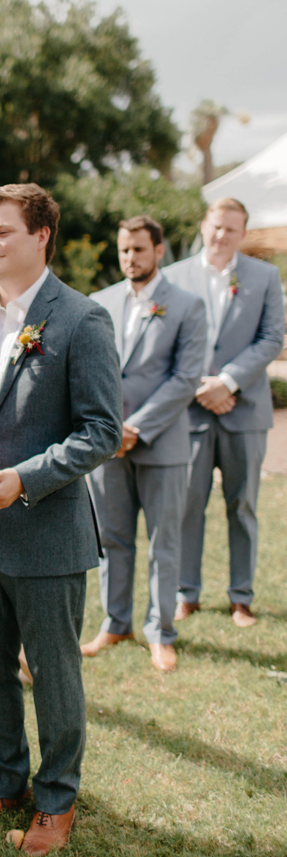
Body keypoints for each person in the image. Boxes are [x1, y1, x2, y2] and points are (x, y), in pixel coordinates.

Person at [0, 183, 122, 857]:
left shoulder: (81, 319)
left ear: (41, 235)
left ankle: (56, 800)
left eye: (2, 231)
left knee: (53, 673)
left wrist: (24, 480)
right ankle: (5, 781)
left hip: (46, 530)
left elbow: (102, 430)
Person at [81, 216, 206, 672]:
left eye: (138, 249)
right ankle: (116, 623)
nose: (130, 258)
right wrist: (111, 429)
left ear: (158, 250)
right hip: (108, 445)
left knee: (163, 540)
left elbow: (186, 377)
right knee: (112, 539)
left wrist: (136, 427)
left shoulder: (188, 305)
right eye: (124, 250)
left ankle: (161, 632)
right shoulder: (99, 302)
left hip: (162, 442)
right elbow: (91, 371)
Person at [164, 197, 284, 627]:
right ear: (204, 225)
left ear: (243, 234)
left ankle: (241, 598)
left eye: (231, 230)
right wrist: (201, 387)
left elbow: (272, 338)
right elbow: (166, 341)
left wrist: (227, 382)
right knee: (187, 504)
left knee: (243, 505)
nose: (221, 236)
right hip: (190, 411)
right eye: (216, 226)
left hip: (245, 409)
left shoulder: (265, 277)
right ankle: (186, 593)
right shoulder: (173, 277)